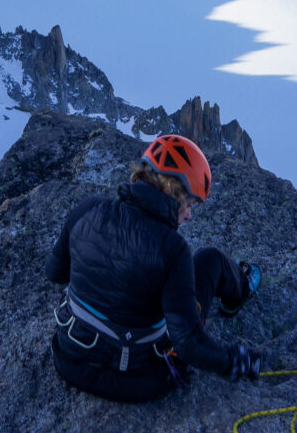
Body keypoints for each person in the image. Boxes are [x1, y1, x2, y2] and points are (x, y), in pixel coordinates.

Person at [45, 133, 263, 402]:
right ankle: (240, 291)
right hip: (135, 381)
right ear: (172, 191)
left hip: (69, 361)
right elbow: (188, 344)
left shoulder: (87, 209)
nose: (189, 214)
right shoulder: (173, 250)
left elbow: (54, 274)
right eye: (190, 203)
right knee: (210, 260)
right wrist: (235, 361)